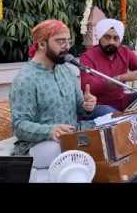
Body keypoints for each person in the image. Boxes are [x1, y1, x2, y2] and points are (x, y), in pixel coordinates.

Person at [9, 19, 97, 167]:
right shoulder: (26, 79)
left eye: (68, 41)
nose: (67, 46)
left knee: (106, 131)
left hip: (72, 136)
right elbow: (19, 125)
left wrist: (87, 106)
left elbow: (79, 108)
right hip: (41, 145)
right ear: (42, 44)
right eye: (60, 41)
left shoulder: (66, 70)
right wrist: (50, 131)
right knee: (59, 150)